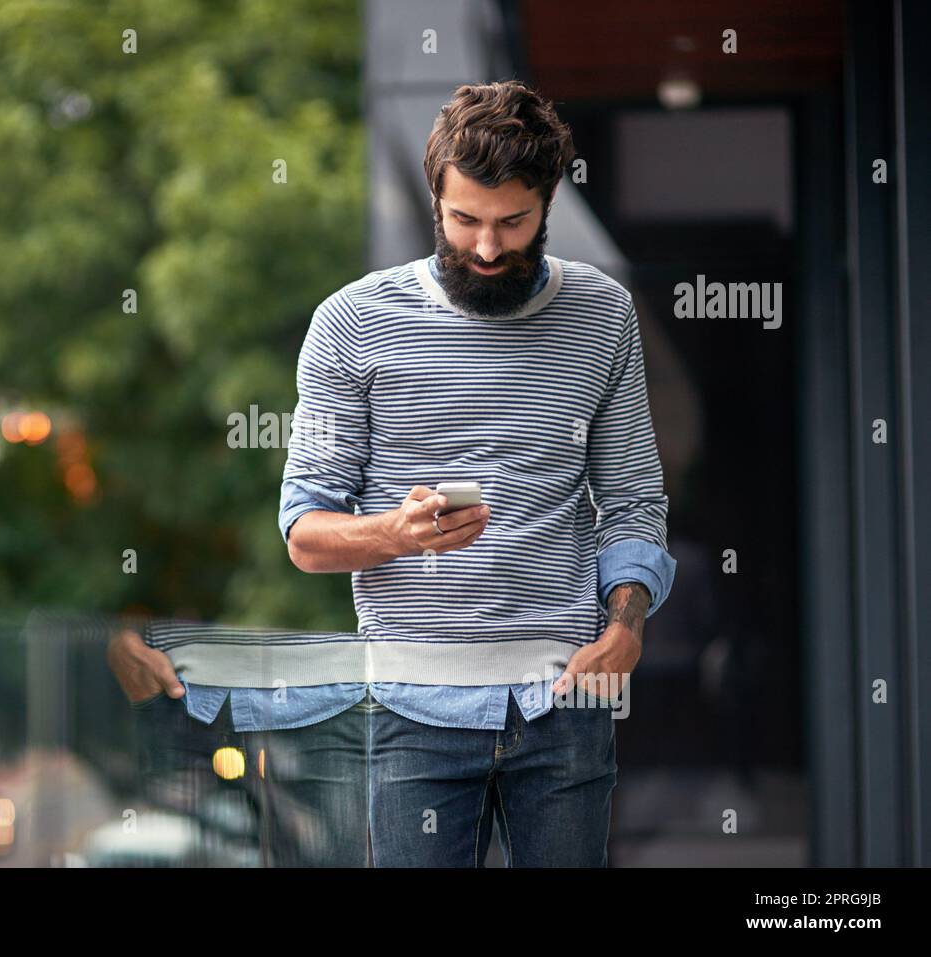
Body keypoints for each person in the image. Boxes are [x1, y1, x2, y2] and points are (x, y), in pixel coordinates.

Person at [111, 80, 676, 867]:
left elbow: (632, 501)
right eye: (465, 219)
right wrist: (394, 533)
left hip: (567, 702)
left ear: (549, 204)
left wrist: (626, 624)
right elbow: (305, 534)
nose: (486, 247)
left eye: (513, 222)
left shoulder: (602, 315)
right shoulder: (350, 323)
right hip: (411, 712)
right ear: (433, 199)